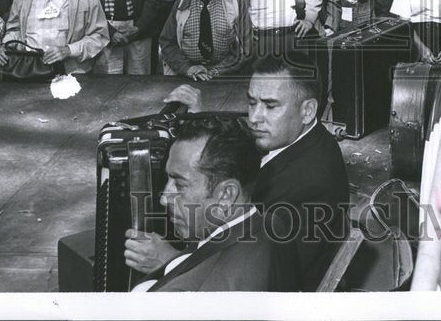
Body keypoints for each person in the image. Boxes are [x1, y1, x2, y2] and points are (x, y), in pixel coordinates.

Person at [138, 56, 350, 291]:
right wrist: (202, 115)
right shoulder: (298, 139)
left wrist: (171, 260)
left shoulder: (310, 184)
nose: (255, 117)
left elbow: (270, 272)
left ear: (308, 110)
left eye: (270, 106)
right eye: (252, 103)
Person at [129, 114, 297, 292]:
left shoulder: (185, 297)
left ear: (226, 195)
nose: (164, 199)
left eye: (180, 184)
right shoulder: (273, 225)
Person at [158, 0, 244, 79]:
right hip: (188, 74)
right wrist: (188, 68)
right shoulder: (182, 3)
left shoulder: (235, 0)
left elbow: (246, 46)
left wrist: (216, 71)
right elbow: (167, 42)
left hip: (225, 74)